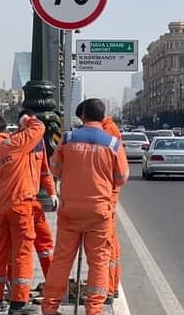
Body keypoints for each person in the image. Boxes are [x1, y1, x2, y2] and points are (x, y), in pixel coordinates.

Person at [42, 99, 129, 315]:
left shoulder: (68, 139)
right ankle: (94, 309)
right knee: (99, 261)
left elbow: (55, 168)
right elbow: (121, 177)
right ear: (103, 117)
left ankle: (50, 307)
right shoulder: (112, 143)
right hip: (99, 212)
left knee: (62, 259)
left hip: (70, 210)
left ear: (83, 116)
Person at [0, 114, 45, 315]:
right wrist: (26, 120)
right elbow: (39, 127)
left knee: (0, 255)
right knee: (22, 253)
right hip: (20, 207)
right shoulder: (14, 144)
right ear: (5, 131)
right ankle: (18, 303)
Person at [76, 102, 126, 305]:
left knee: (107, 246)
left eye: (82, 120)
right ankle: (108, 287)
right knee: (107, 246)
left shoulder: (107, 131)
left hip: (106, 195)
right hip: (105, 193)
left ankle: (108, 288)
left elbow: (114, 168)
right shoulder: (108, 128)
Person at [18, 109, 59, 277]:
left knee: (45, 242)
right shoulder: (14, 141)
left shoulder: (39, 143)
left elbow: (44, 171)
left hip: (34, 202)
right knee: (20, 247)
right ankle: (17, 289)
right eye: (30, 122)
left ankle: (51, 280)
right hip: (18, 203)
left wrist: (52, 192)